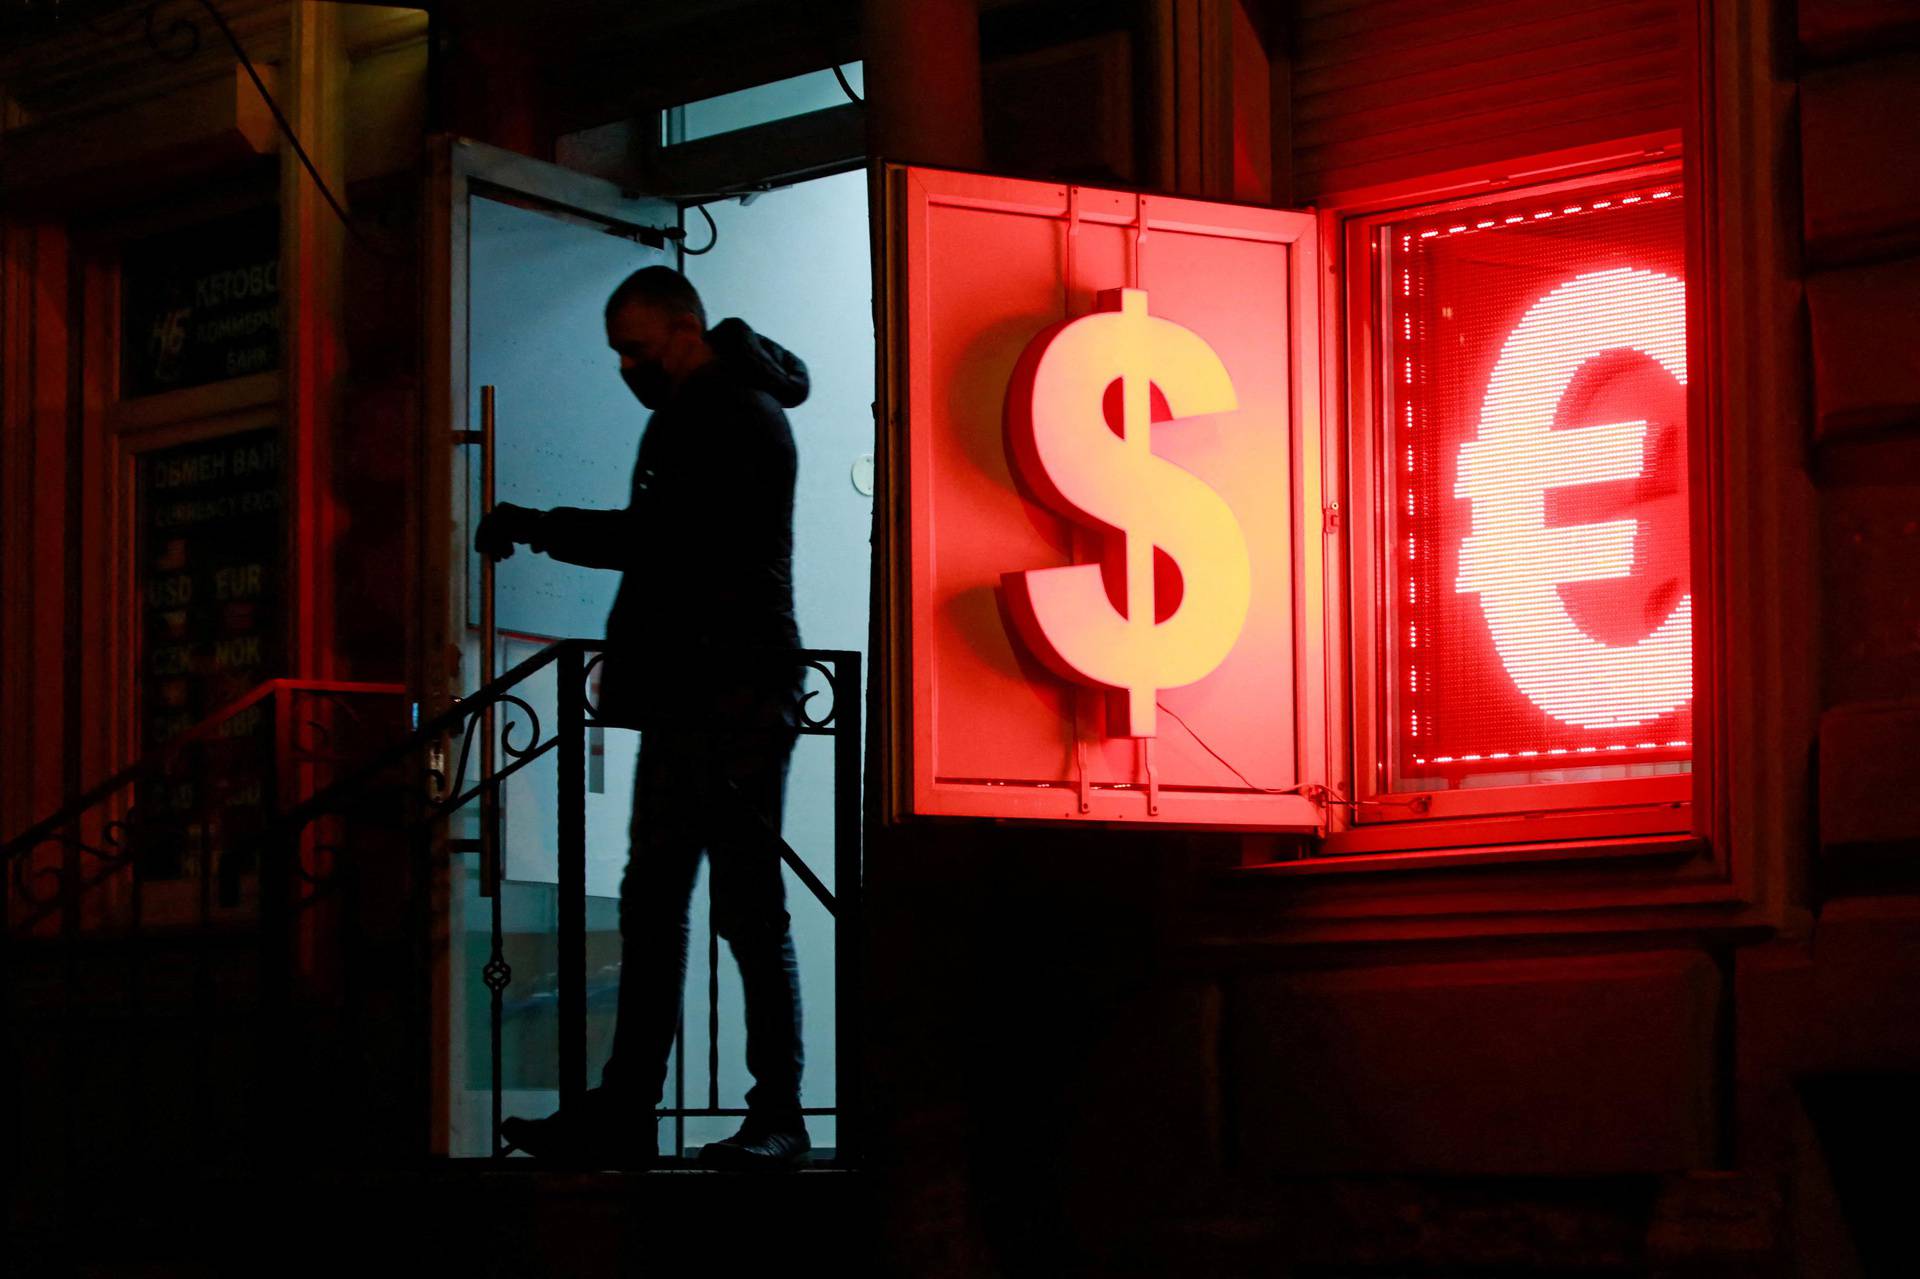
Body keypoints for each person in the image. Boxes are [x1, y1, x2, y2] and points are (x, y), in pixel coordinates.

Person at [475, 265, 810, 1170]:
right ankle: (657, 1107)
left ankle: (766, 1112)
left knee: (732, 906)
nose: (626, 368)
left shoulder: (730, 413)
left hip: (731, 689)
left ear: (683, 329)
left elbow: (658, 540)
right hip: (709, 689)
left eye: (635, 349)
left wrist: (537, 524)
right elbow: (662, 541)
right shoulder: (710, 411)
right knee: (672, 904)